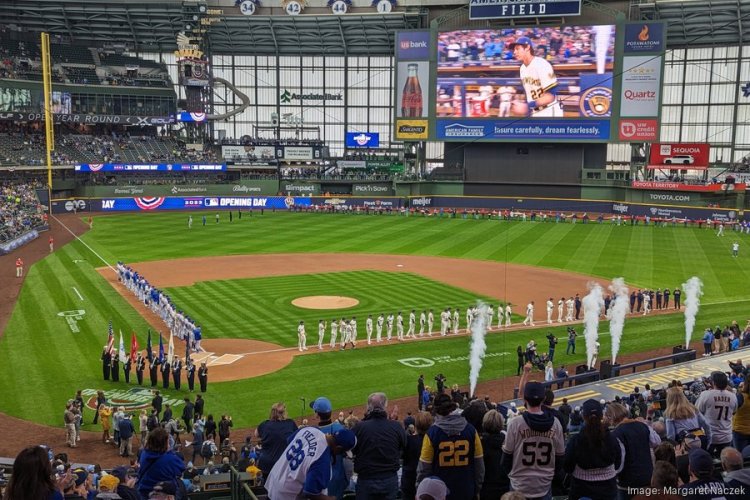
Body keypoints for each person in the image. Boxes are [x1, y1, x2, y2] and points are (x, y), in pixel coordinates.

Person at [501, 368, 565, 499]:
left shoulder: (515, 423)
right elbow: (560, 460)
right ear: (543, 399)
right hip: (544, 486)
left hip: (519, 486)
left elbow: (506, 460)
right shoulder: (556, 423)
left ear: (525, 399)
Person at [417, 393, 485, 500]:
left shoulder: (431, 434)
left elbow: (424, 469)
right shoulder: (471, 430)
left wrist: (421, 490)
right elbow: (479, 466)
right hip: (466, 490)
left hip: (439, 493)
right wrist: (476, 489)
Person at [264, 427, 357, 500]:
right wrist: (330, 498)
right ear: (338, 448)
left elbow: (289, 440)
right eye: (343, 452)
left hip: (274, 479)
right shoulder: (322, 462)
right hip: (287, 495)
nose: (342, 454)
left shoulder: (311, 429)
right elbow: (310, 492)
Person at [352, 392, 407, 500]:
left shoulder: (359, 427)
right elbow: (404, 447)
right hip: (389, 478)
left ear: (368, 407)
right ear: (385, 406)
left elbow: (351, 450)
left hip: (366, 480)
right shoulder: (396, 426)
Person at [563, 399, 621, 500]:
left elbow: (567, 465)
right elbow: (618, 463)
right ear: (602, 416)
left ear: (584, 417)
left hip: (581, 488)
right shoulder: (612, 438)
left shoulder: (576, 440)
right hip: (608, 489)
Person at [605, 402, 660, 498]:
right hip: (648, 477)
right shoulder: (642, 426)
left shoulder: (616, 434)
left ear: (611, 418)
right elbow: (657, 442)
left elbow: (620, 464)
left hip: (628, 483)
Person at [509, 36, 562, 117]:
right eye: (514, 50)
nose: (514, 52)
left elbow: (550, 96)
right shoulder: (522, 68)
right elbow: (530, 94)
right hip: (535, 112)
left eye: (517, 49)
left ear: (527, 48)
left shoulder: (542, 64)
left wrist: (526, 107)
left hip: (550, 112)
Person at [695, 371, 738, 457]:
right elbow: (734, 412)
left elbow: (697, 412)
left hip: (710, 436)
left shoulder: (706, 395)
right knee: (725, 461)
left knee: (708, 462)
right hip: (727, 436)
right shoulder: (733, 396)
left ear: (713, 382)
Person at [136, 427, 186, 499]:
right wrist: (169, 451)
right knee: (181, 486)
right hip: (163, 494)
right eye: (167, 441)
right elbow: (181, 467)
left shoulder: (144, 453)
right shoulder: (169, 459)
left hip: (144, 493)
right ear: (164, 443)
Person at [256, 402, 298, 478]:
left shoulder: (265, 424)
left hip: (266, 464)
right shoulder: (290, 424)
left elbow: (256, 434)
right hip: (283, 464)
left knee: (266, 486)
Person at [402, 411, 433, 500]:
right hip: (429, 482)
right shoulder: (434, 441)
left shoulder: (408, 441)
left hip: (410, 481)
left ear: (416, 425)